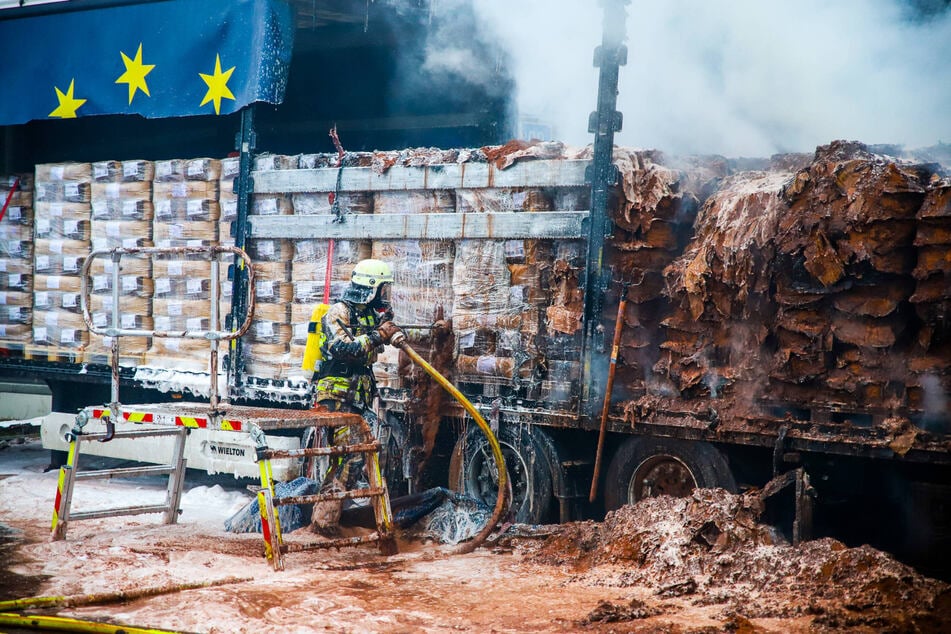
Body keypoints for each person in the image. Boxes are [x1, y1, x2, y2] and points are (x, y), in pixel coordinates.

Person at [310, 258, 403, 535]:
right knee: (350, 456)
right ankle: (324, 522)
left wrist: (394, 331)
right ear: (370, 287)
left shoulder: (369, 314)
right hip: (336, 397)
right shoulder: (339, 311)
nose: (385, 295)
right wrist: (376, 337)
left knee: (358, 455)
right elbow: (342, 348)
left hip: (358, 399)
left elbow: (385, 327)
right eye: (383, 289)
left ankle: (327, 518)